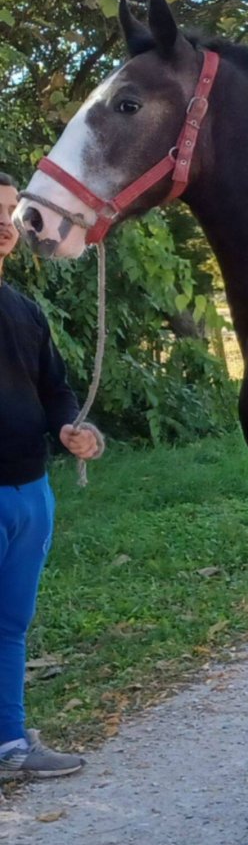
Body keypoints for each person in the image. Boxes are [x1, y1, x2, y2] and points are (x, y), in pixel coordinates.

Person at [0, 170, 104, 778]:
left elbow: (56, 391)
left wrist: (74, 429)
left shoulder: (24, 311)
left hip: (31, 494)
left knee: (11, 625)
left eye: (10, 211)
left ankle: (10, 742)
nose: (3, 224)